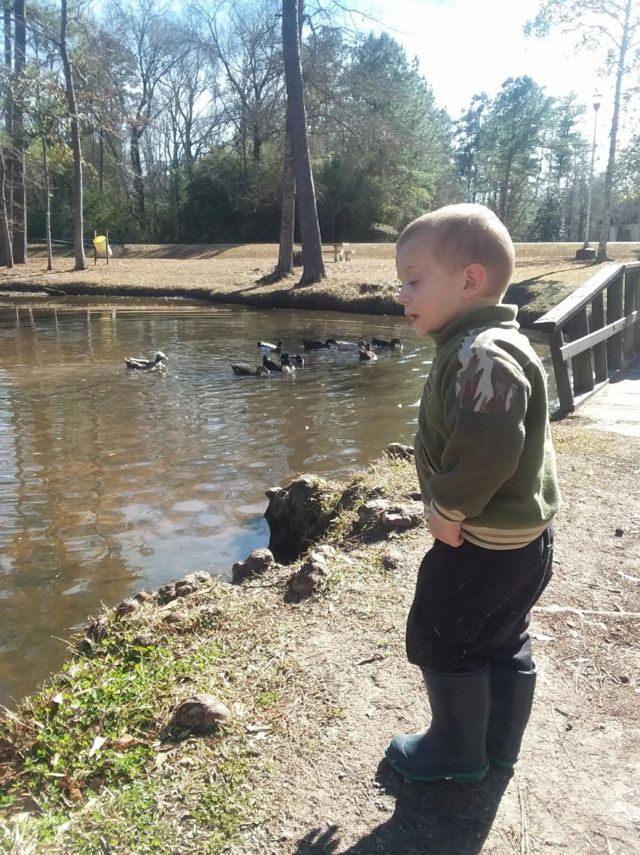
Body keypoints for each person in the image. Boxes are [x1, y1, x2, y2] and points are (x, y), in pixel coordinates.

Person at [386, 203, 560, 783]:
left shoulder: (481, 354)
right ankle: (497, 746)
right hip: (523, 543)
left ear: (470, 280)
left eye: (414, 281)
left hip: (482, 542)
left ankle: (456, 753)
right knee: (502, 635)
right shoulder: (493, 342)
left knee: (441, 634)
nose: (402, 295)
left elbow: (488, 448)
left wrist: (447, 508)